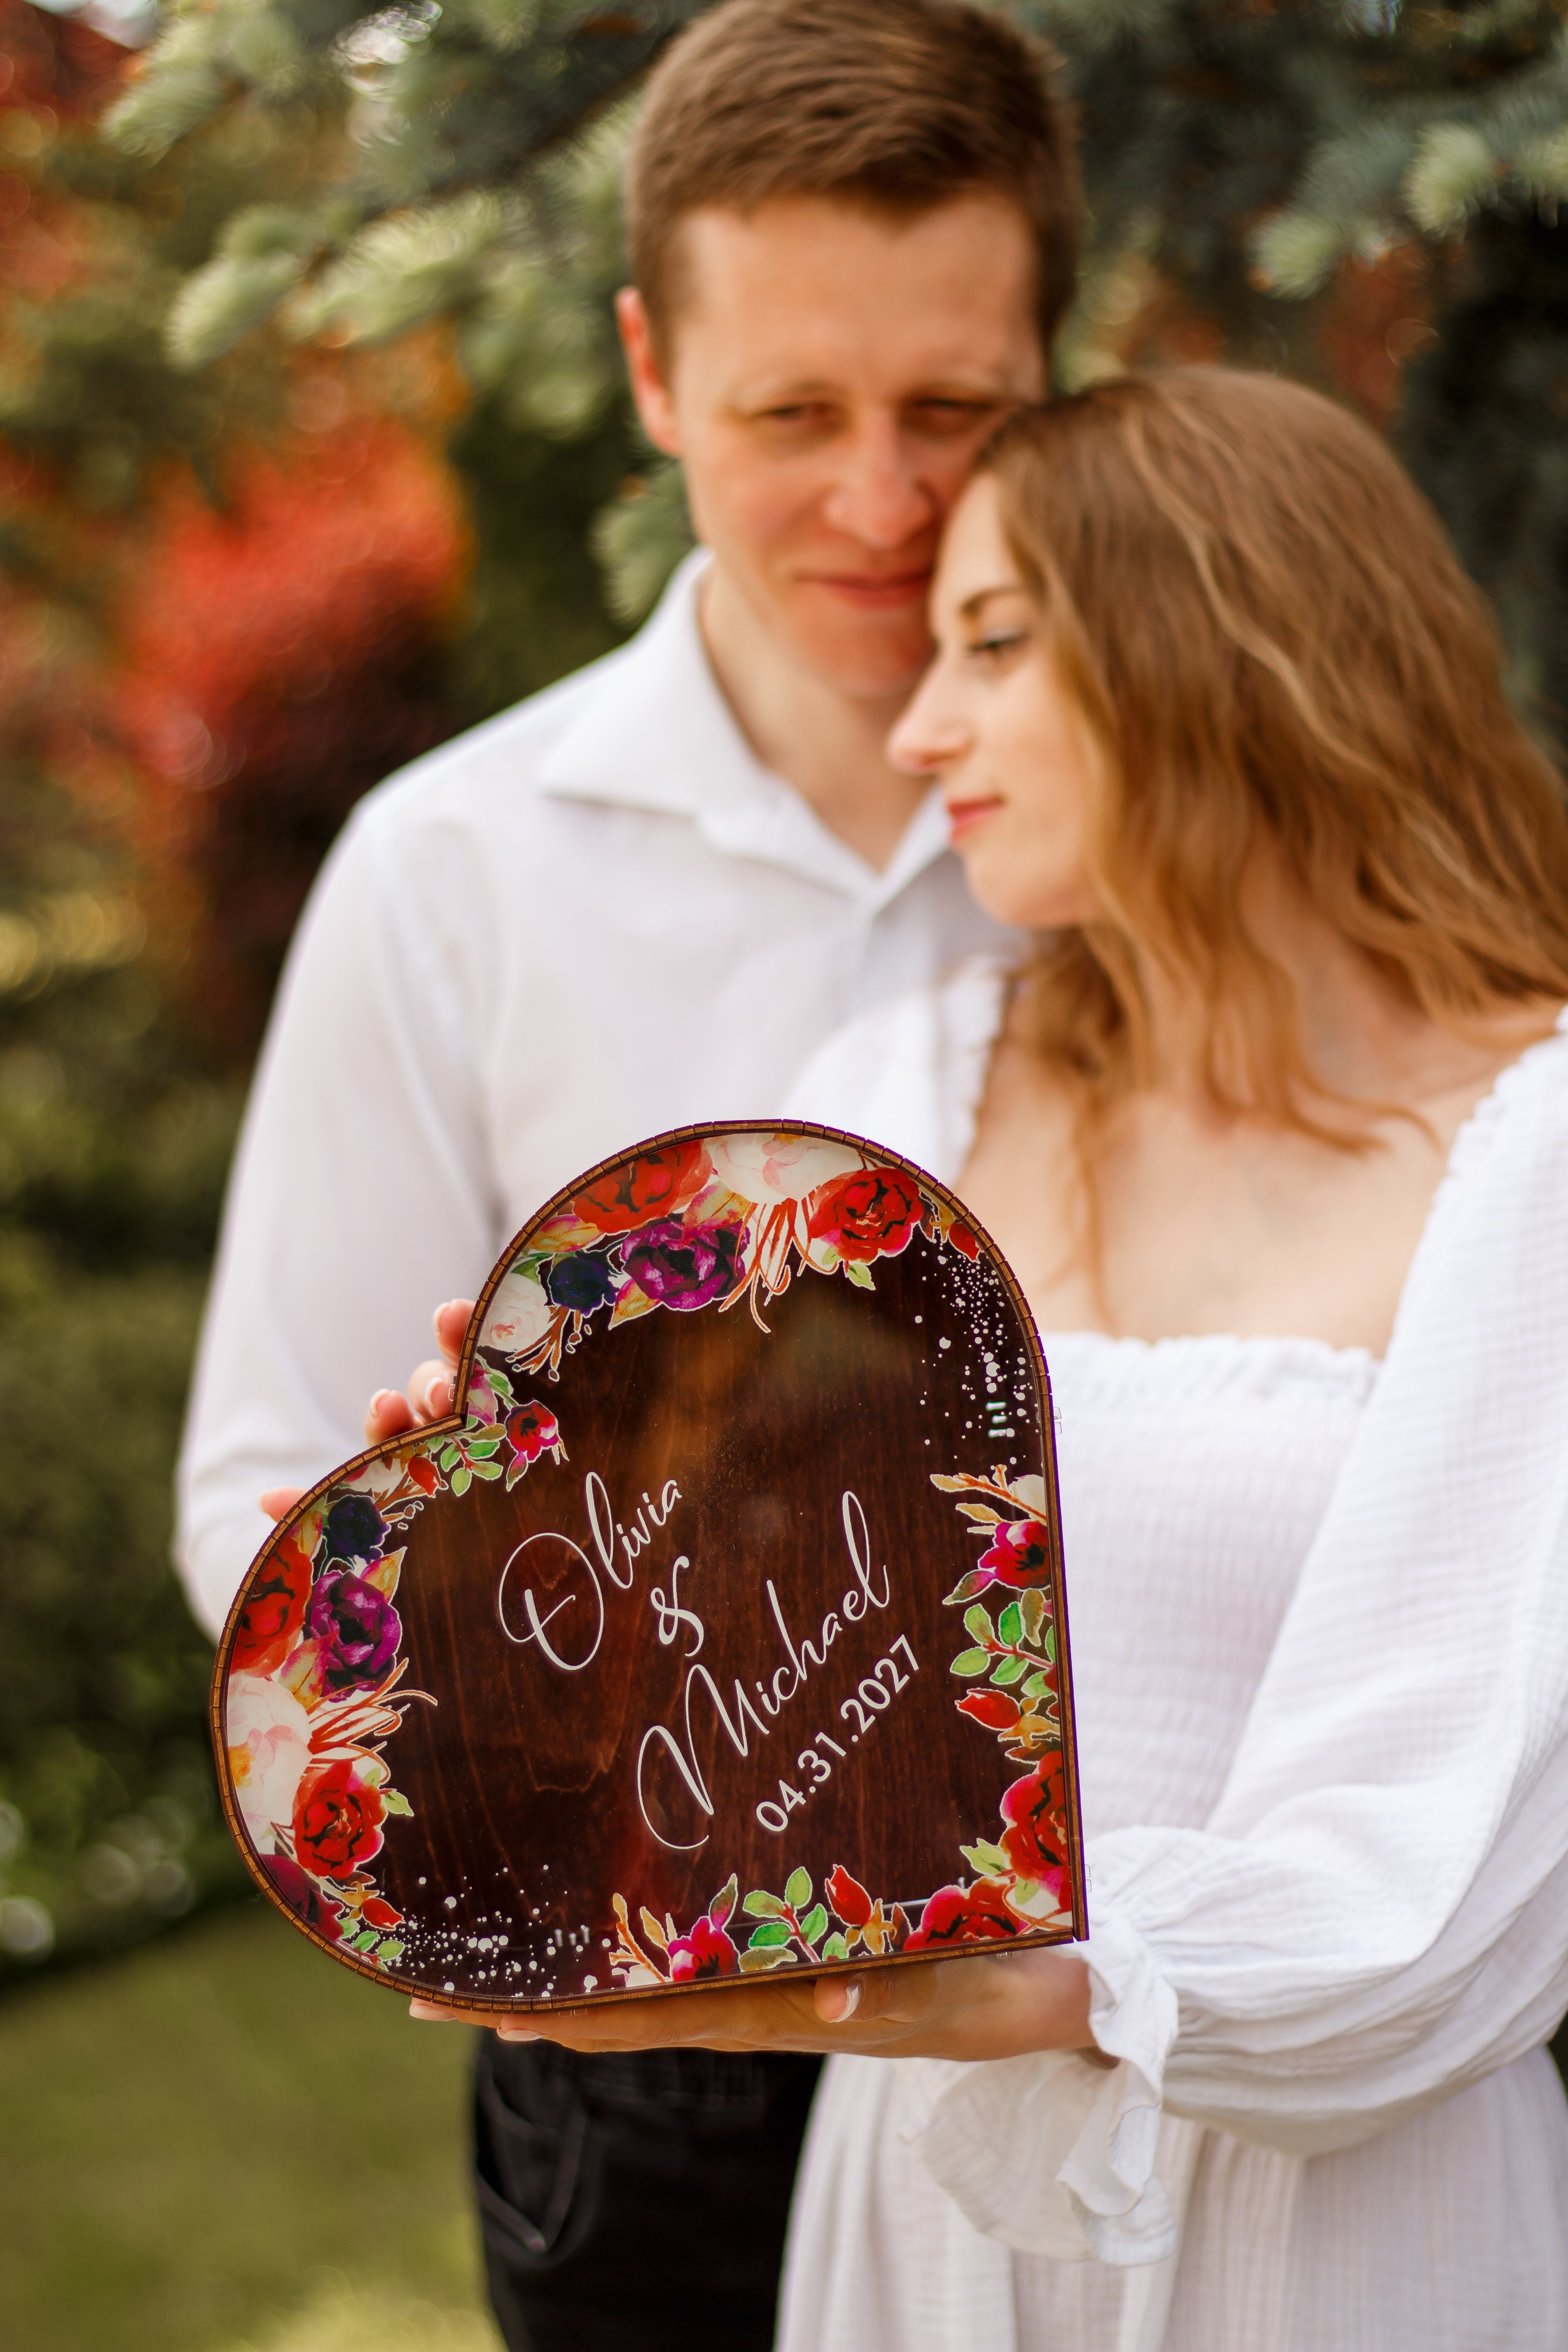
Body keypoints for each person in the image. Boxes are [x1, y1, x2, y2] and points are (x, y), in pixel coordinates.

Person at [435, 368, 1568, 2350]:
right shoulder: (895, 1108)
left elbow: (1444, 1878)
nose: (922, 721)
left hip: (1334, 2239)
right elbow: (736, 1677)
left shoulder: (1537, 1152)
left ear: (1219, 634)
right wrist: (531, 1544)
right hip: (928, 2203)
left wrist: (1023, 1984)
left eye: (994, 642)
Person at [175, 3, 1081, 2345]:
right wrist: (454, 1617)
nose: (880, 502)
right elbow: (258, 1487)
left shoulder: (1177, 833)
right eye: (793, 413)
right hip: (644, 2069)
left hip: (1109, 2006)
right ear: (653, 374)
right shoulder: (454, 869)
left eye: (952, 409)